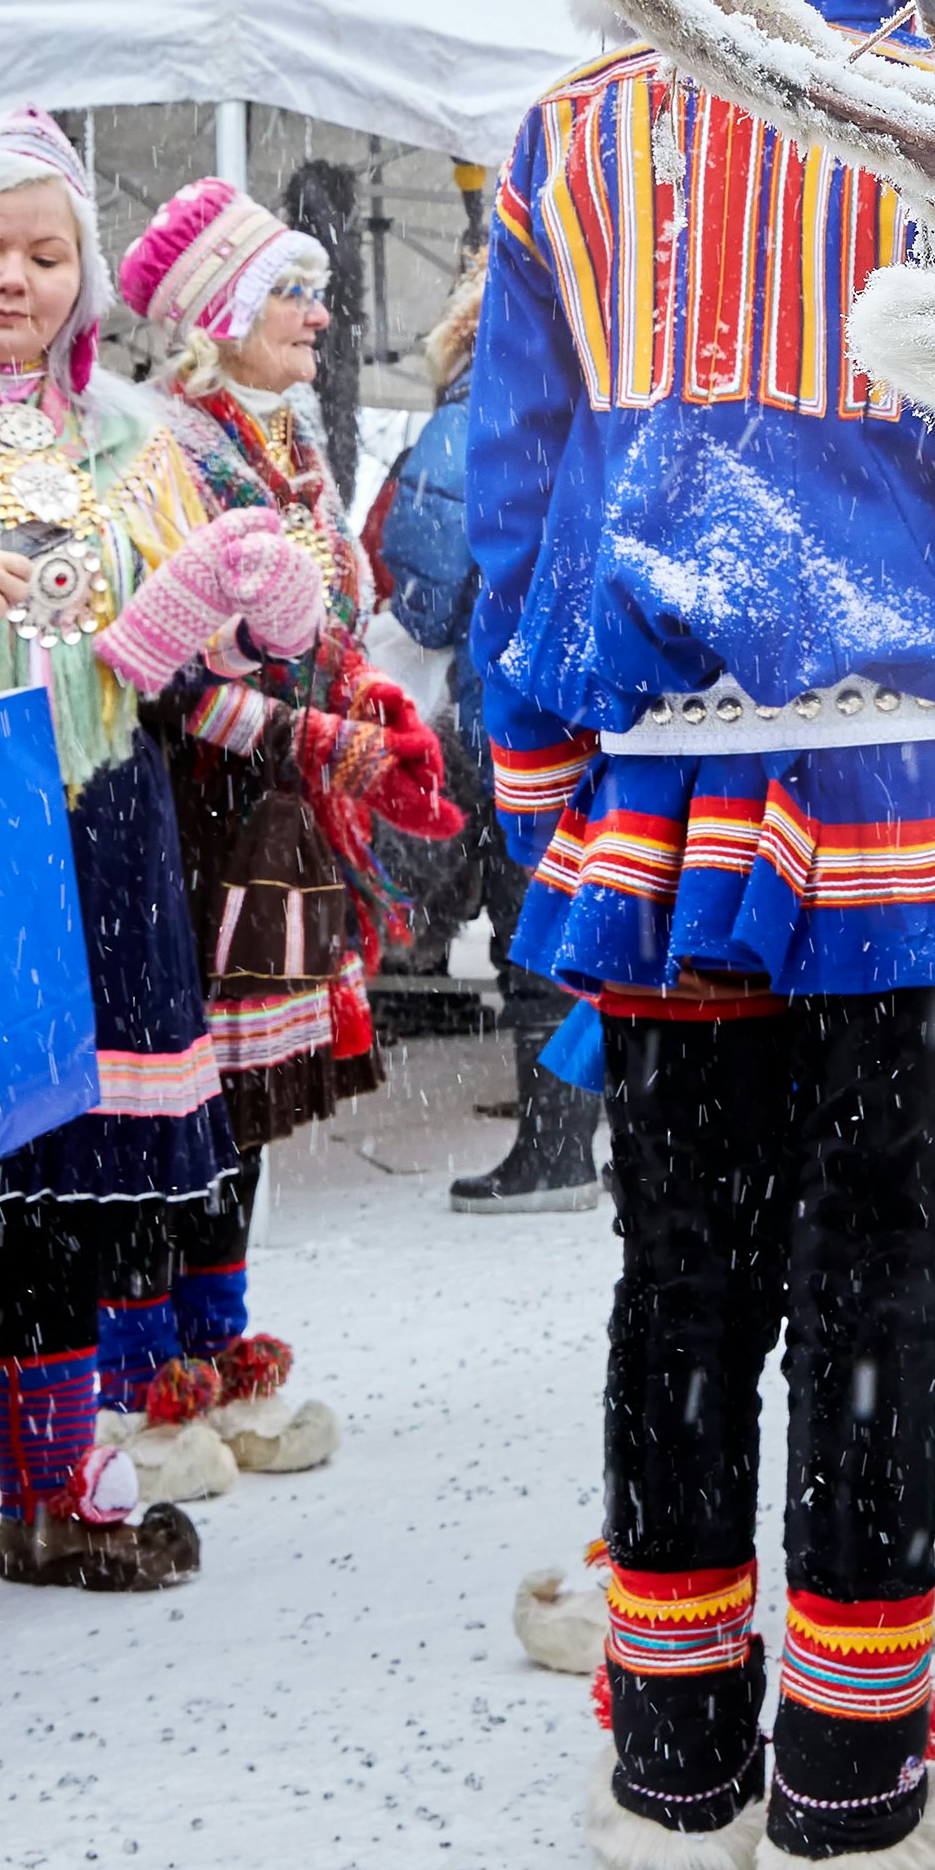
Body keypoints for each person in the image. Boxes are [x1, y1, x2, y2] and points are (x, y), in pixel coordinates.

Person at [472, 0, 935, 1870]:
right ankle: (848, 1795)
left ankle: (668, 1792)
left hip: (654, 803)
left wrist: (540, 777)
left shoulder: (571, 137)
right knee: (876, 1288)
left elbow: (508, 496)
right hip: (909, 805)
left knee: (681, 1276)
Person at [0, 110, 318, 1639]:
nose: (15, 279)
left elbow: (177, 663)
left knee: (63, 1188)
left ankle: (50, 1491)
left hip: (105, 836)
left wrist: (259, 633)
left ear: (87, 278)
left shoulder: (134, 438)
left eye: (47, 254)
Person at [112, 174, 460, 1475]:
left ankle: (222, 1344)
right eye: (293, 295)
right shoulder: (165, 447)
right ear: (221, 313)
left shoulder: (286, 442)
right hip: (188, 815)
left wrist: (359, 707)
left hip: (267, 814)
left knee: (242, 1103)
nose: (320, 317)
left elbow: (312, 636)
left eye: (318, 293)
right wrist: (325, 738)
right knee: (172, 1097)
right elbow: (169, 667)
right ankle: (144, 1378)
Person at [372, 275, 601, 1214]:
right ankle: (623, 1127)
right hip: (612, 706)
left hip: (512, 707)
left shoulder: (477, 414)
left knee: (531, 926)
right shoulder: (608, 402)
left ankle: (553, 1153)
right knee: (607, 919)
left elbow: (426, 587)